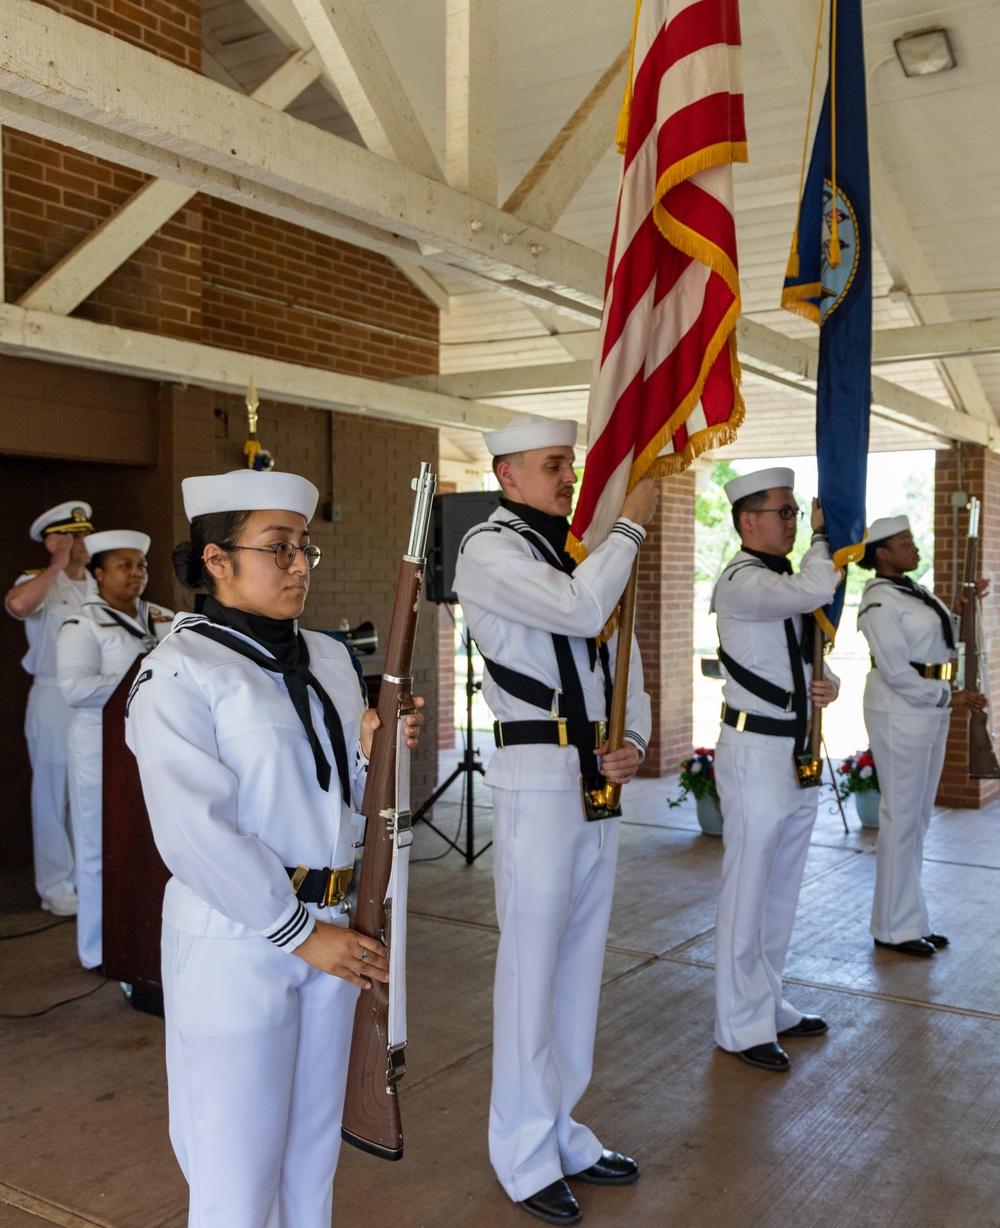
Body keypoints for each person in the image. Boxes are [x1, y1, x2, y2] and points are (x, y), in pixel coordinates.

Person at [125, 469, 422, 1228]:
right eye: (277, 548)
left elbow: (337, 802)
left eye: (303, 549)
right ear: (216, 559)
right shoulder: (178, 671)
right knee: (236, 1172)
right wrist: (298, 934)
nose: (297, 565)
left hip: (333, 934)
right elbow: (195, 830)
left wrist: (375, 755)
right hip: (240, 939)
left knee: (309, 1161)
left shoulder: (325, 658)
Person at [453, 413, 659, 1226]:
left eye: (569, 465)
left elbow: (623, 652)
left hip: (595, 780)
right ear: (506, 475)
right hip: (537, 777)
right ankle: (523, 1151)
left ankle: (564, 1129)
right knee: (531, 970)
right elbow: (580, 612)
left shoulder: (581, 551)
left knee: (578, 967)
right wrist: (634, 524)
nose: (568, 478)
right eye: (551, 466)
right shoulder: (489, 550)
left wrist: (634, 737)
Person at [712, 467, 840, 1074]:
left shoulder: (782, 584)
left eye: (795, 513)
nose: (793, 521)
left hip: (793, 750)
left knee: (781, 890)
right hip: (753, 753)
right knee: (748, 890)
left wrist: (826, 685)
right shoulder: (742, 582)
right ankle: (739, 1023)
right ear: (747, 521)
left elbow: (801, 661)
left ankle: (768, 1000)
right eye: (784, 512)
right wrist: (823, 539)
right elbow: (817, 590)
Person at [856, 515, 988, 957]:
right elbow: (895, 669)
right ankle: (892, 928)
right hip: (900, 709)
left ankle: (911, 920)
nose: (914, 549)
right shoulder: (878, 600)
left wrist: (963, 608)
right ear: (882, 555)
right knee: (901, 817)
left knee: (918, 818)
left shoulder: (912, 591)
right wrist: (947, 697)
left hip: (927, 707)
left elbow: (937, 638)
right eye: (905, 542)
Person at [56, 531, 173, 971]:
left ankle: (142, 941)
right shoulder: (83, 624)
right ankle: (97, 949)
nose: (136, 573)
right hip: (98, 747)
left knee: (148, 842)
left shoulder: (164, 617)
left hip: (151, 741)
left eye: (141, 564)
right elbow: (74, 689)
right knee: (96, 843)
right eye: (124, 565)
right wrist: (143, 682)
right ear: (98, 573)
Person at [4, 501, 97, 916]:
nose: (85, 542)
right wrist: (56, 564)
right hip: (53, 695)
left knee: (87, 789)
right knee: (53, 791)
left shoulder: (96, 584)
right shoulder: (38, 581)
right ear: (55, 540)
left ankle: (85, 878)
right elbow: (19, 607)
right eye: (76, 535)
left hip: (93, 697)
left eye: (84, 534)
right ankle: (55, 885)